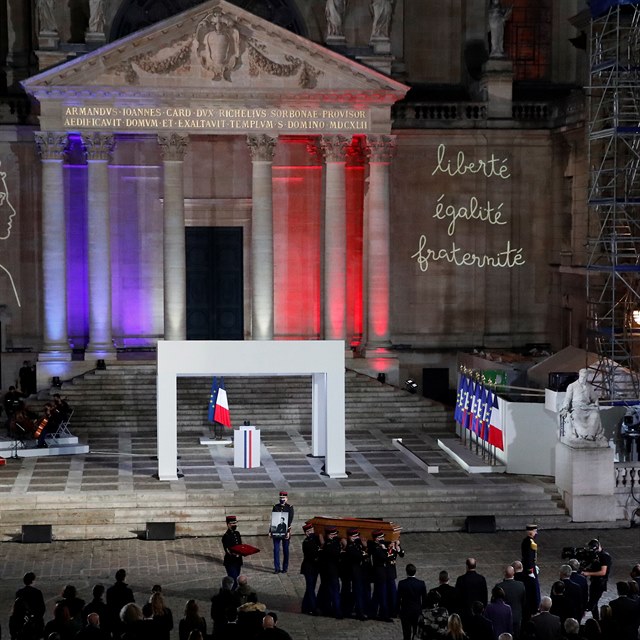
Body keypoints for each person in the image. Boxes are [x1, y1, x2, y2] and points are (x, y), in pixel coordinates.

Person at [560, 369, 605, 442]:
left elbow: (594, 398)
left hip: (587, 407)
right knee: (576, 416)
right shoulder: (572, 386)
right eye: (582, 376)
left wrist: (596, 406)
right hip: (577, 407)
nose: (583, 378)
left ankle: (591, 435)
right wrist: (565, 407)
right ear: (579, 375)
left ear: (587, 377)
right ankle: (583, 435)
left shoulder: (589, 387)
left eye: (585, 377)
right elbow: (568, 398)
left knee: (595, 415)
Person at [341, 527, 369, 620]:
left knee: (358, 592)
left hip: (358, 573)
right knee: (357, 592)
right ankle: (358, 612)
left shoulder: (357, 544)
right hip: (353, 573)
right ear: (349, 537)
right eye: (354, 536)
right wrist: (364, 551)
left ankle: (352, 610)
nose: (356, 537)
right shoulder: (350, 546)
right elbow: (360, 556)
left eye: (357, 535)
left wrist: (364, 547)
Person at [582, 539, 612, 620]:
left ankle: (585, 612)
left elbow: (603, 572)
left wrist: (588, 573)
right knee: (594, 603)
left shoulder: (604, 556)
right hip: (594, 582)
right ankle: (596, 619)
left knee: (592, 603)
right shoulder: (596, 555)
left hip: (600, 583)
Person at [397, 563, 426, 639]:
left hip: (405, 611)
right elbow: (424, 598)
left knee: (406, 633)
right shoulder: (421, 583)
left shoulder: (402, 584)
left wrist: (398, 611)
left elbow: (398, 599)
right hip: (417, 611)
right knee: (416, 633)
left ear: (406, 572)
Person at [495, 565, 525, 638]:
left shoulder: (499, 586)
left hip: (503, 616)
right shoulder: (520, 585)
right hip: (516, 616)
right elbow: (524, 601)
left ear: (505, 573)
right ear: (514, 573)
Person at [318, 525, 342, 618]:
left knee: (330, 592)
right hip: (331, 573)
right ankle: (336, 611)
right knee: (334, 592)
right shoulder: (329, 545)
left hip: (329, 573)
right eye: (333, 534)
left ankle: (327, 609)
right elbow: (336, 555)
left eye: (335, 534)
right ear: (329, 535)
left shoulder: (331, 543)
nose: (335, 535)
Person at [454, 557, 488, 623]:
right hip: (478, 612)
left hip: (465, 613)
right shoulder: (481, 579)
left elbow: (457, 597)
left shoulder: (461, 579)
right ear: (475, 566)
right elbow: (484, 596)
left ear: (466, 566)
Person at [269, 491, 294, 574]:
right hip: (277, 531)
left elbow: (290, 521)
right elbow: (273, 519)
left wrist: (288, 532)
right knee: (276, 550)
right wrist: (270, 530)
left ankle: (285, 567)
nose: (282, 499)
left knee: (285, 550)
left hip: (286, 532)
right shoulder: (275, 507)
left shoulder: (289, 507)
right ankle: (277, 568)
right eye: (280, 498)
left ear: (286, 499)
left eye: (283, 498)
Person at [106, 569, 135, 637]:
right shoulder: (128, 591)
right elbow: (132, 604)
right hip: (125, 618)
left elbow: (109, 605)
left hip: (114, 619)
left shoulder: (110, 591)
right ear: (124, 578)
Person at [300, 522, 321, 615]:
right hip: (308, 568)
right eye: (308, 531)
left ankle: (304, 607)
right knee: (311, 588)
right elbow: (313, 553)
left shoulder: (315, 539)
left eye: (311, 530)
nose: (310, 532)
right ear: (306, 533)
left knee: (310, 588)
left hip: (314, 568)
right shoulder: (307, 542)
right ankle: (314, 608)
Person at [521, 524, 540, 606]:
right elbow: (528, 557)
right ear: (531, 532)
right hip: (529, 569)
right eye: (535, 531)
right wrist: (530, 570)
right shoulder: (529, 543)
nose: (536, 533)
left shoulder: (528, 541)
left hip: (531, 566)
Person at [222, 515, 243, 585]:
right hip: (230, 562)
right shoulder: (226, 536)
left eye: (235, 523)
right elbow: (227, 550)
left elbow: (240, 545)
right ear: (228, 525)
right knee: (233, 581)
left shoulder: (237, 534)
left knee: (236, 579)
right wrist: (235, 554)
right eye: (233, 523)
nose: (235, 525)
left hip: (238, 561)